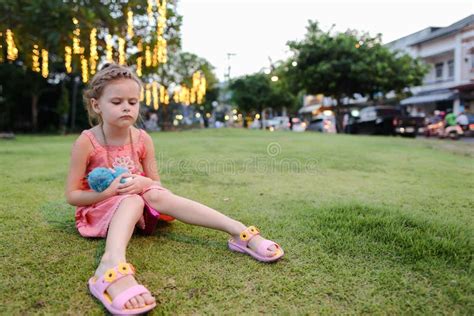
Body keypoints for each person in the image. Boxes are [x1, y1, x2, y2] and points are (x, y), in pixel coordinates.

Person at [65, 63, 284, 315]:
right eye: (116, 102)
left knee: (155, 194)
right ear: (96, 105)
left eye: (133, 102)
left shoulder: (142, 138)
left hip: (138, 204)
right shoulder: (87, 141)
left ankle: (238, 231)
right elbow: (73, 195)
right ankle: (110, 264)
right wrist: (109, 192)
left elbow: (155, 182)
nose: (127, 107)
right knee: (134, 201)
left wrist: (144, 182)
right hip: (100, 209)